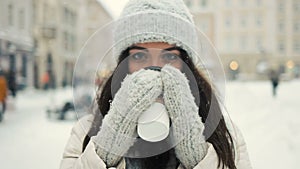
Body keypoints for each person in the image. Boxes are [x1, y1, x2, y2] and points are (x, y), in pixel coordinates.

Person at [60, 0, 252, 169]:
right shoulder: (86, 131)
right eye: (140, 56)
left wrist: (196, 154)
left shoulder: (224, 134)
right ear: (124, 65)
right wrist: (109, 143)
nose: (154, 69)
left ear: (186, 66)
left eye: (169, 56)